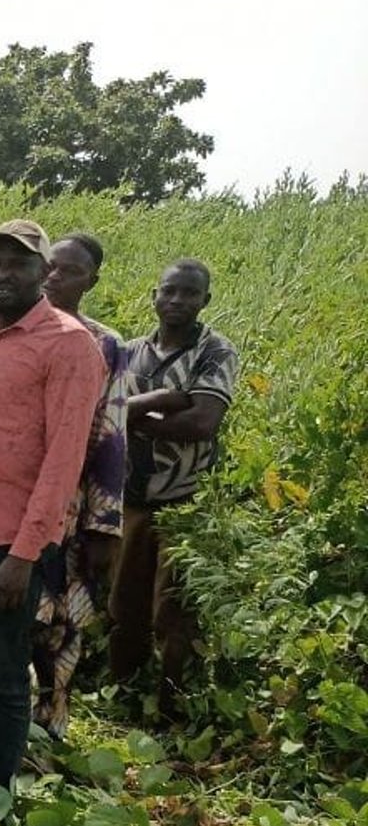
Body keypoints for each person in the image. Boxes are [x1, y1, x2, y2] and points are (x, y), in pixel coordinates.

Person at [0, 220, 107, 802]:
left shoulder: (67, 343)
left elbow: (64, 460)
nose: (2, 274)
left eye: (18, 264)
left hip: (3, 546)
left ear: (44, 272)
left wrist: (24, 554)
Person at [109, 259, 237, 711]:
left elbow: (203, 422)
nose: (177, 300)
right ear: (155, 296)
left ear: (206, 300)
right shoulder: (130, 351)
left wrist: (131, 418)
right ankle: (122, 696)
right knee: (123, 603)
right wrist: (163, 401)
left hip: (185, 500)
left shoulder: (214, 352)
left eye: (189, 293)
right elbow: (106, 415)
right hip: (131, 497)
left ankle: (171, 704)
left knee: (174, 610)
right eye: (169, 291)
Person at [32, 233, 129, 737]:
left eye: (68, 270)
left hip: (67, 509)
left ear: (92, 279)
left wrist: (101, 525)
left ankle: (51, 720)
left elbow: (111, 439)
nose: (54, 277)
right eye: (48, 267)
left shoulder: (103, 344)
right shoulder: (11, 330)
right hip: (9, 505)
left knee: (60, 623)